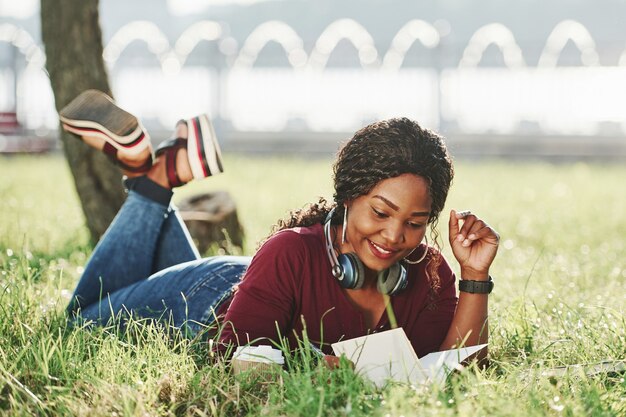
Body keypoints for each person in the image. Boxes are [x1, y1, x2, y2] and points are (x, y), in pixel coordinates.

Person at [60, 90, 499, 362]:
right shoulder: (291, 251)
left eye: (415, 223)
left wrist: (475, 276)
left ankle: (156, 176)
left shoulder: (430, 272)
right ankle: (154, 180)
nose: (394, 236)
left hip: (262, 285)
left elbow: (454, 365)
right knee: (74, 326)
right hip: (206, 301)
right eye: (380, 213)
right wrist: (311, 368)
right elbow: (232, 361)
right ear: (348, 196)